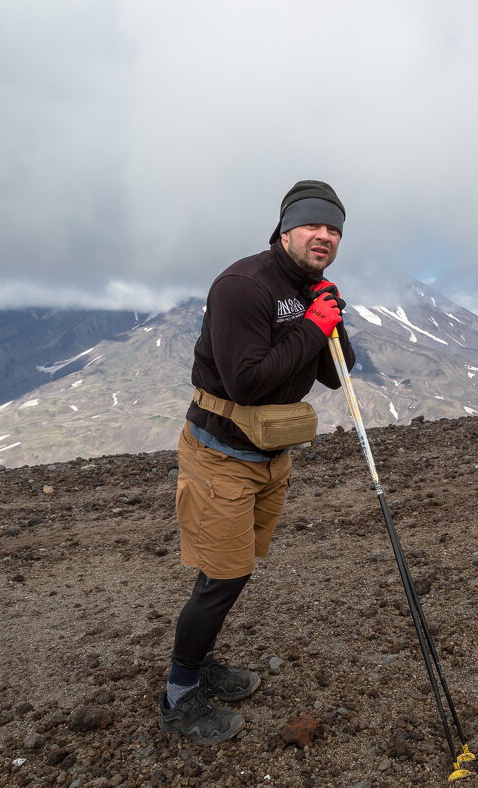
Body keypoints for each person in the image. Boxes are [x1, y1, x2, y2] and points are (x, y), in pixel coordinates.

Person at [160, 179, 357, 745]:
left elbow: (334, 372)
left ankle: (204, 661)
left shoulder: (314, 287)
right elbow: (246, 382)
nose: (325, 236)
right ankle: (179, 692)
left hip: (270, 455)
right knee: (224, 575)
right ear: (286, 228)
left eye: (335, 229)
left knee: (235, 566)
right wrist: (314, 325)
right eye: (314, 225)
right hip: (220, 454)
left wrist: (332, 322)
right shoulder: (243, 286)